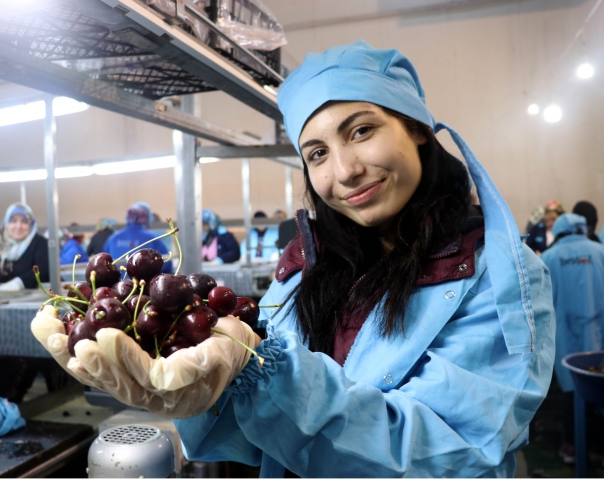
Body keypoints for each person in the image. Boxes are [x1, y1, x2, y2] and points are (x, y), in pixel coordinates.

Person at [32, 42, 555, 478]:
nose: (345, 171)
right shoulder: (305, 266)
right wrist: (203, 393)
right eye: (317, 153)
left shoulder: (497, 275)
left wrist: (264, 375)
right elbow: (262, 434)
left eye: (361, 130)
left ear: (417, 127)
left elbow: (451, 456)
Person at [0, 203, 73, 403]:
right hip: (8, 324)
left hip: (38, 318)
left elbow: (44, 269)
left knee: (57, 382)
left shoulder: (40, 244)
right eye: (13, 221)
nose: (18, 226)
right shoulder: (0, 247)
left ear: (31, 225)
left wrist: (19, 282)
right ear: (6, 224)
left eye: (24, 221)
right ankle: (6, 408)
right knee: (8, 377)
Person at [540, 213, 604, 464]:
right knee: (599, 384)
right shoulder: (600, 252)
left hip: (563, 333)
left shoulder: (547, 258)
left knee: (571, 389)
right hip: (599, 332)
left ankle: (572, 447)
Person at [103, 202, 172, 274]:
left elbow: (104, 264)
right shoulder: (152, 238)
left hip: (117, 283)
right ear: (146, 217)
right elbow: (167, 264)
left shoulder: (113, 238)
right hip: (144, 283)